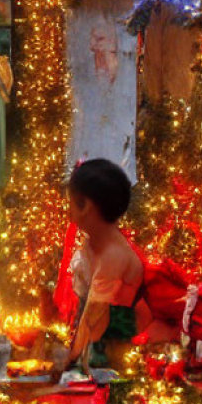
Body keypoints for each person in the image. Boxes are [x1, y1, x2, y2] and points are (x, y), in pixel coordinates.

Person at [64, 159, 144, 375]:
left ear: (86, 206)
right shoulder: (93, 245)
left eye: (70, 202)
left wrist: (67, 360)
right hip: (92, 349)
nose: (68, 211)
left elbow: (95, 317)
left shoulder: (113, 255)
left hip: (114, 359)